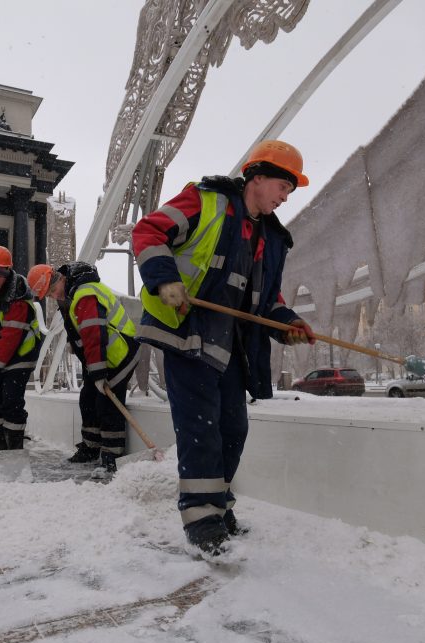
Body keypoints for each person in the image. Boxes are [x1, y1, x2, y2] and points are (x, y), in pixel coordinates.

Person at [131, 140, 317, 554]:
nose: (286, 197)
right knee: (200, 429)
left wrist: (289, 326)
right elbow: (148, 232)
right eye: (284, 186)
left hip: (232, 347)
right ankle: (201, 519)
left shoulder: (271, 237)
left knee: (233, 429)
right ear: (259, 176)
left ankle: (218, 505)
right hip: (188, 334)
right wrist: (164, 280)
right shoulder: (206, 201)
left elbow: (268, 300)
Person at [28, 261, 140, 473]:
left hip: (122, 352)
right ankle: (90, 448)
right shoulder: (70, 294)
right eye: (49, 295)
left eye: (53, 290)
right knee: (87, 398)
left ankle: (111, 455)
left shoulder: (85, 293)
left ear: (60, 278)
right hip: (103, 356)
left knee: (108, 403)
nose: (53, 296)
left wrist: (98, 372)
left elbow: (93, 332)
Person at [0, 246, 41, 450]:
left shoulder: (17, 298)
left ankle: (14, 450)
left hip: (20, 356)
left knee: (11, 403)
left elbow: (10, 339)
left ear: (7, 273)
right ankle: (2, 448)